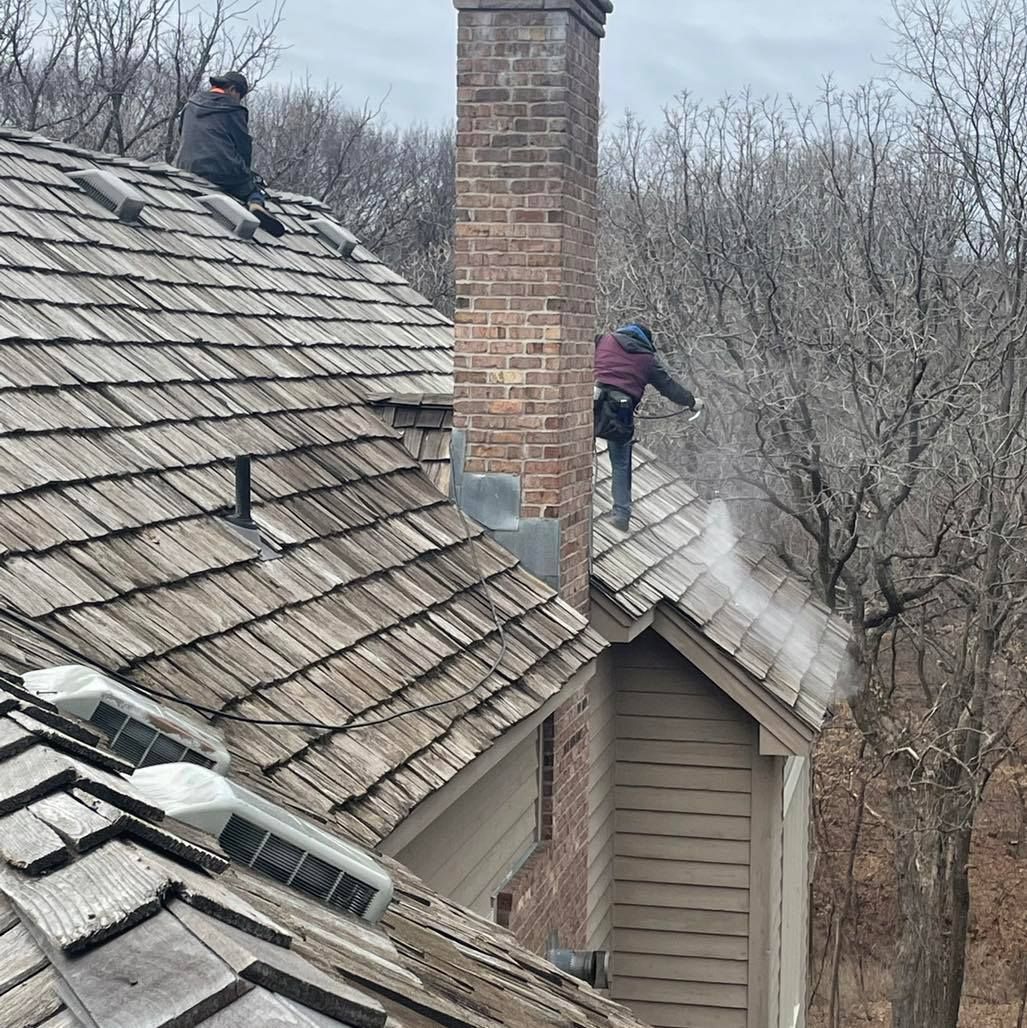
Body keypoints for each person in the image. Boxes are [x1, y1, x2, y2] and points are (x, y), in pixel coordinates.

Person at [594, 322, 699, 530]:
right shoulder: (647, 360)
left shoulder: (602, 340)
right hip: (619, 413)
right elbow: (669, 387)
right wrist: (692, 402)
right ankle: (621, 514)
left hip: (592, 403)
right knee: (621, 464)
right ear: (645, 341)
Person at [175, 71, 281, 234]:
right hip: (220, 170)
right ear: (232, 89)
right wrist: (247, 175)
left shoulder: (190, 104)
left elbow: (182, 132)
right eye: (240, 96)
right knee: (254, 187)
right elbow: (243, 147)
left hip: (185, 166)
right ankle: (256, 204)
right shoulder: (233, 110)